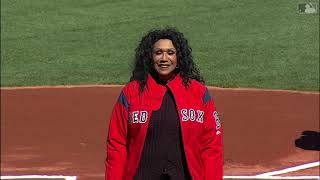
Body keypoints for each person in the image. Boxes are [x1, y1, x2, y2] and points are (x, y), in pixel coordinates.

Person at [105, 27, 223, 180]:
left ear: (179, 57)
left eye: (170, 52)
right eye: (158, 52)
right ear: (150, 57)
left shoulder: (199, 93)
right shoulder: (131, 93)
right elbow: (117, 144)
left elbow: (211, 145)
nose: (164, 58)